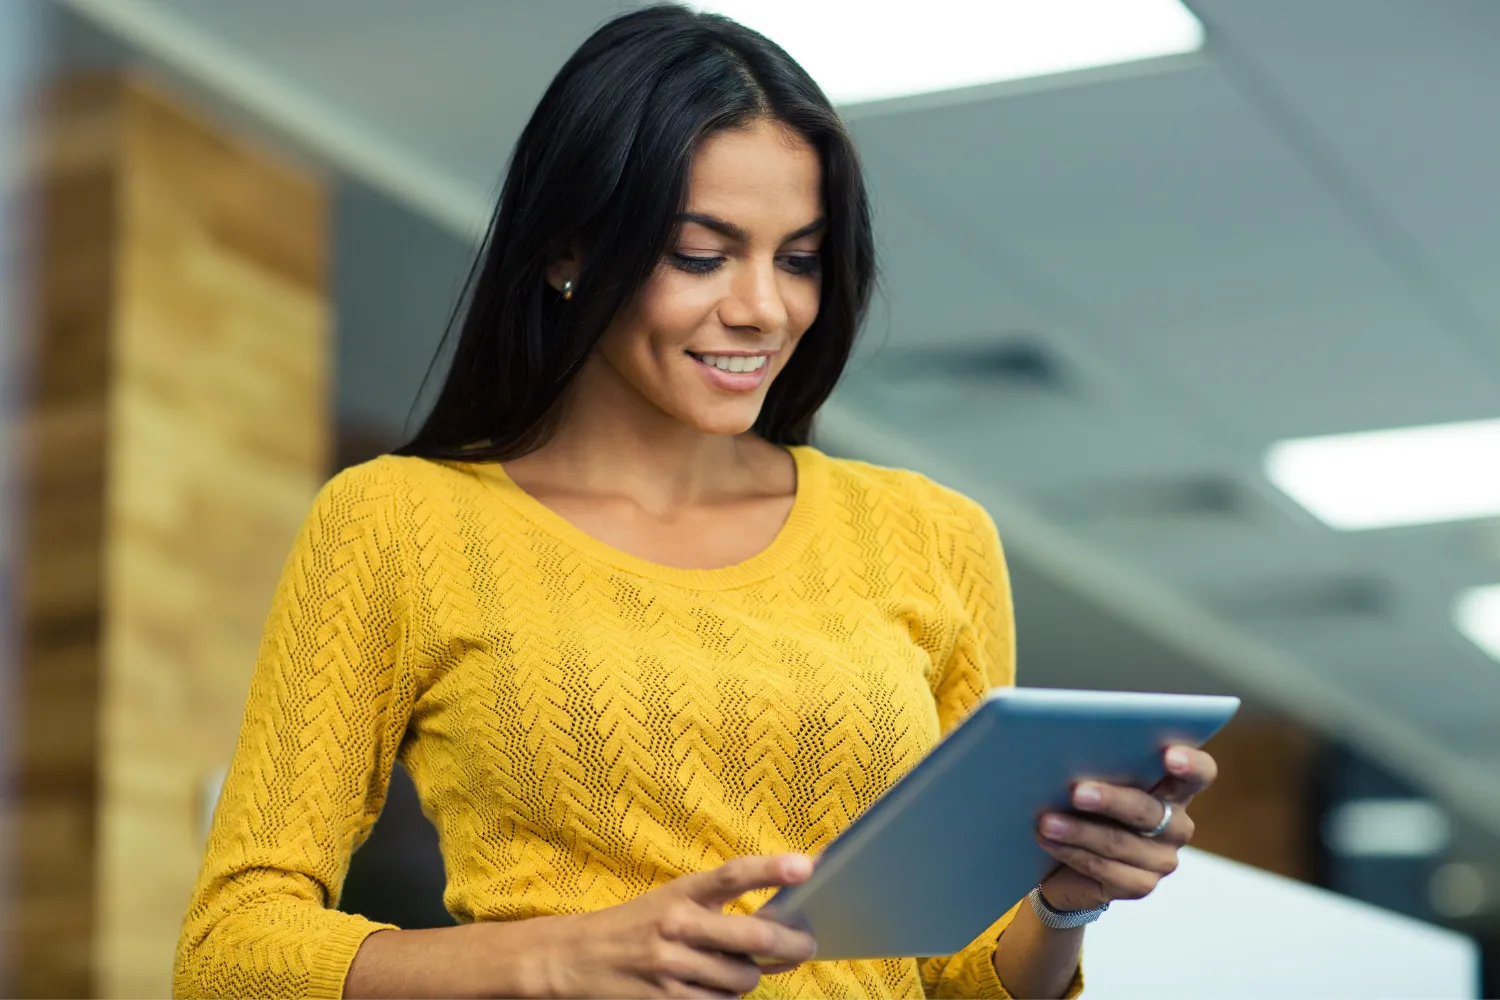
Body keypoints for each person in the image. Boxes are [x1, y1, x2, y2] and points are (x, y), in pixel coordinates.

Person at [173, 6, 1218, 999]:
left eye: (799, 259)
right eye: (701, 254)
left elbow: (961, 979)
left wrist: (1062, 905)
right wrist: (552, 959)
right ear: (569, 249)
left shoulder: (932, 536)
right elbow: (230, 953)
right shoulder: (399, 523)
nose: (763, 308)